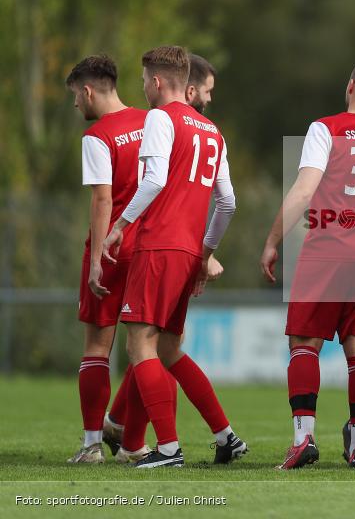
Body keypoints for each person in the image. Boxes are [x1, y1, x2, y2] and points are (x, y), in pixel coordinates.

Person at [260, 58, 355, 470]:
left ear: (350, 86)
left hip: (326, 249)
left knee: (304, 344)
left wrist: (273, 240)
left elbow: (304, 191)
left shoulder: (324, 129)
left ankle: (303, 440)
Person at [102, 45, 246, 468]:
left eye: (145, 80)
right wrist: (205, 253)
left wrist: (121, 224)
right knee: (168, 349)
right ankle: (222, 435)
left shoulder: (160, 118)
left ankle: (167, 447)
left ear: (158, 82)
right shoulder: (211, 131)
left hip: (159, 245)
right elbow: (228, 203)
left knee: (140, 346)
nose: (144, 87)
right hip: (187, 251)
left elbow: (154, 180)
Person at [65, 54, 154, 464]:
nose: (75, 106)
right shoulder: (152, 121)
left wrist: (99, 255)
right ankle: (131, 438)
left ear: (87, 90)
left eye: (74, 97)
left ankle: (91, 446)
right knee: (148, 348)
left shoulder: (97, 136)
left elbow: (103, 197)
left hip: (113, 249)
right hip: (151, 248)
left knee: (97, 349)